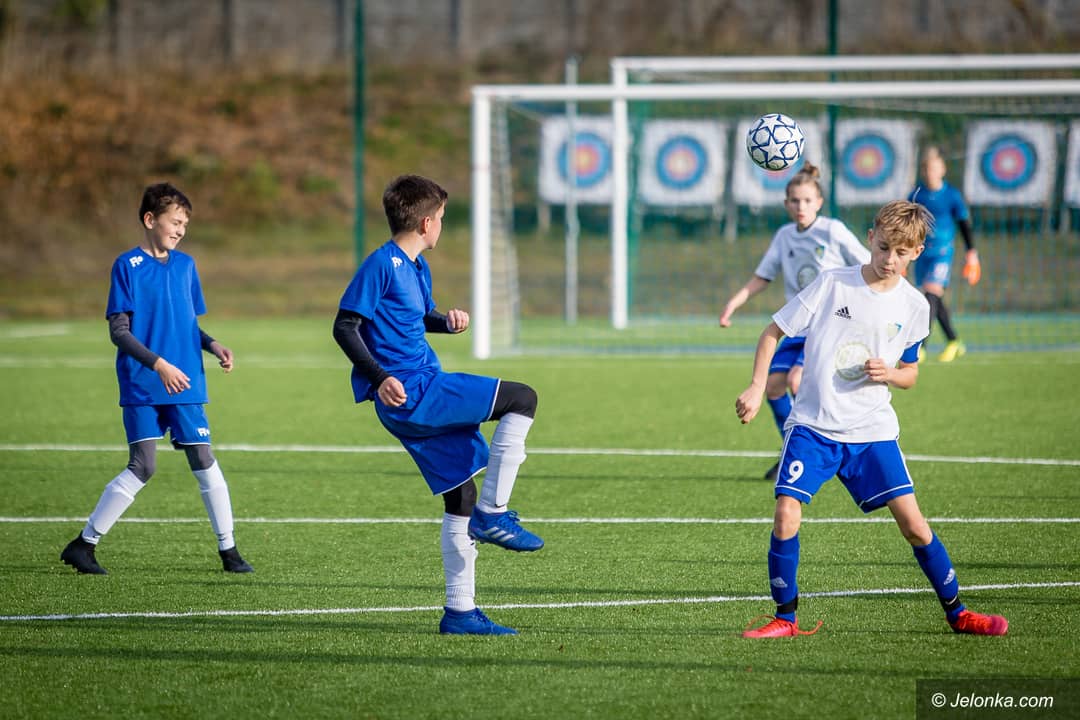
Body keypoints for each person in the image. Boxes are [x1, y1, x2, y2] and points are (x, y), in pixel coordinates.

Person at [734, 199, 1007, 638]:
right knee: (786, 514)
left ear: (917, 252)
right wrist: (755, 385)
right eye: (882, 248)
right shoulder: (833, 283)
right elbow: (773, 332)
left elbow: (911, 373)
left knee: (914, 526)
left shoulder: (915, 306)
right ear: (870, 239)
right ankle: (785, 618)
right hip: (814, 427)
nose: (889, 260)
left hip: (872, 430)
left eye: (901, 253)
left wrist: (891, 374)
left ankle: (958, 613)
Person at [332, 174, 543, 636]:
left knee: (460, 495)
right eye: (442, 218)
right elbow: (345, 326)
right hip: (414, 391)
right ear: (426, 223)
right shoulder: (381, 264)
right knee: (522, 398)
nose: (442, 226)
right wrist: (380, 377)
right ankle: (495, 514)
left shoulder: (417, 267)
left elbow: (415, 317)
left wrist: (446, 322)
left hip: (419, 388)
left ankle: (460, 613)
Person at [60, 183, 253, 575]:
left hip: (185, 382)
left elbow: (186, 323)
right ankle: (84, 544)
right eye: (174, 222)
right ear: (150, 220)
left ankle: (229, 550)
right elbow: (119, 331)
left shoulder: (186, 266)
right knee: (143, 465)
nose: (180, 230)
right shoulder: (126, 266)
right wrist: (158, 365)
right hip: (143, 382)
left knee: (203, 457)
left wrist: (212, 344)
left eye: (185, 224)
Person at [720, 164, 870, 480]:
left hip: (830, 326)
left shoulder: (832, 231)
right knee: (774, 386)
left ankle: (825, 448)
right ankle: (793, 449)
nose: (801, 206)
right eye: (795, 201)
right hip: (798, 326)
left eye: (807, 200)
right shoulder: (784, 236)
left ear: (819, 202)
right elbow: (763, 277)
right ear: (786, 204)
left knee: (796, 380)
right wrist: (734, 303)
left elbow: (867, 265)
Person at [908, 146, 980, 362]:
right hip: (921, 253)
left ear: (942, 170)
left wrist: (971, 252)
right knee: (933, 297)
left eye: (934, 168)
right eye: (926, 169)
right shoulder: (916, 195)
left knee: (930, 294)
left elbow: (964, 224)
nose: (930, 173)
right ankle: (954, 341)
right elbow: (907, 226)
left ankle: (920, 347)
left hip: (942, 253)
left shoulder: (951, 195)